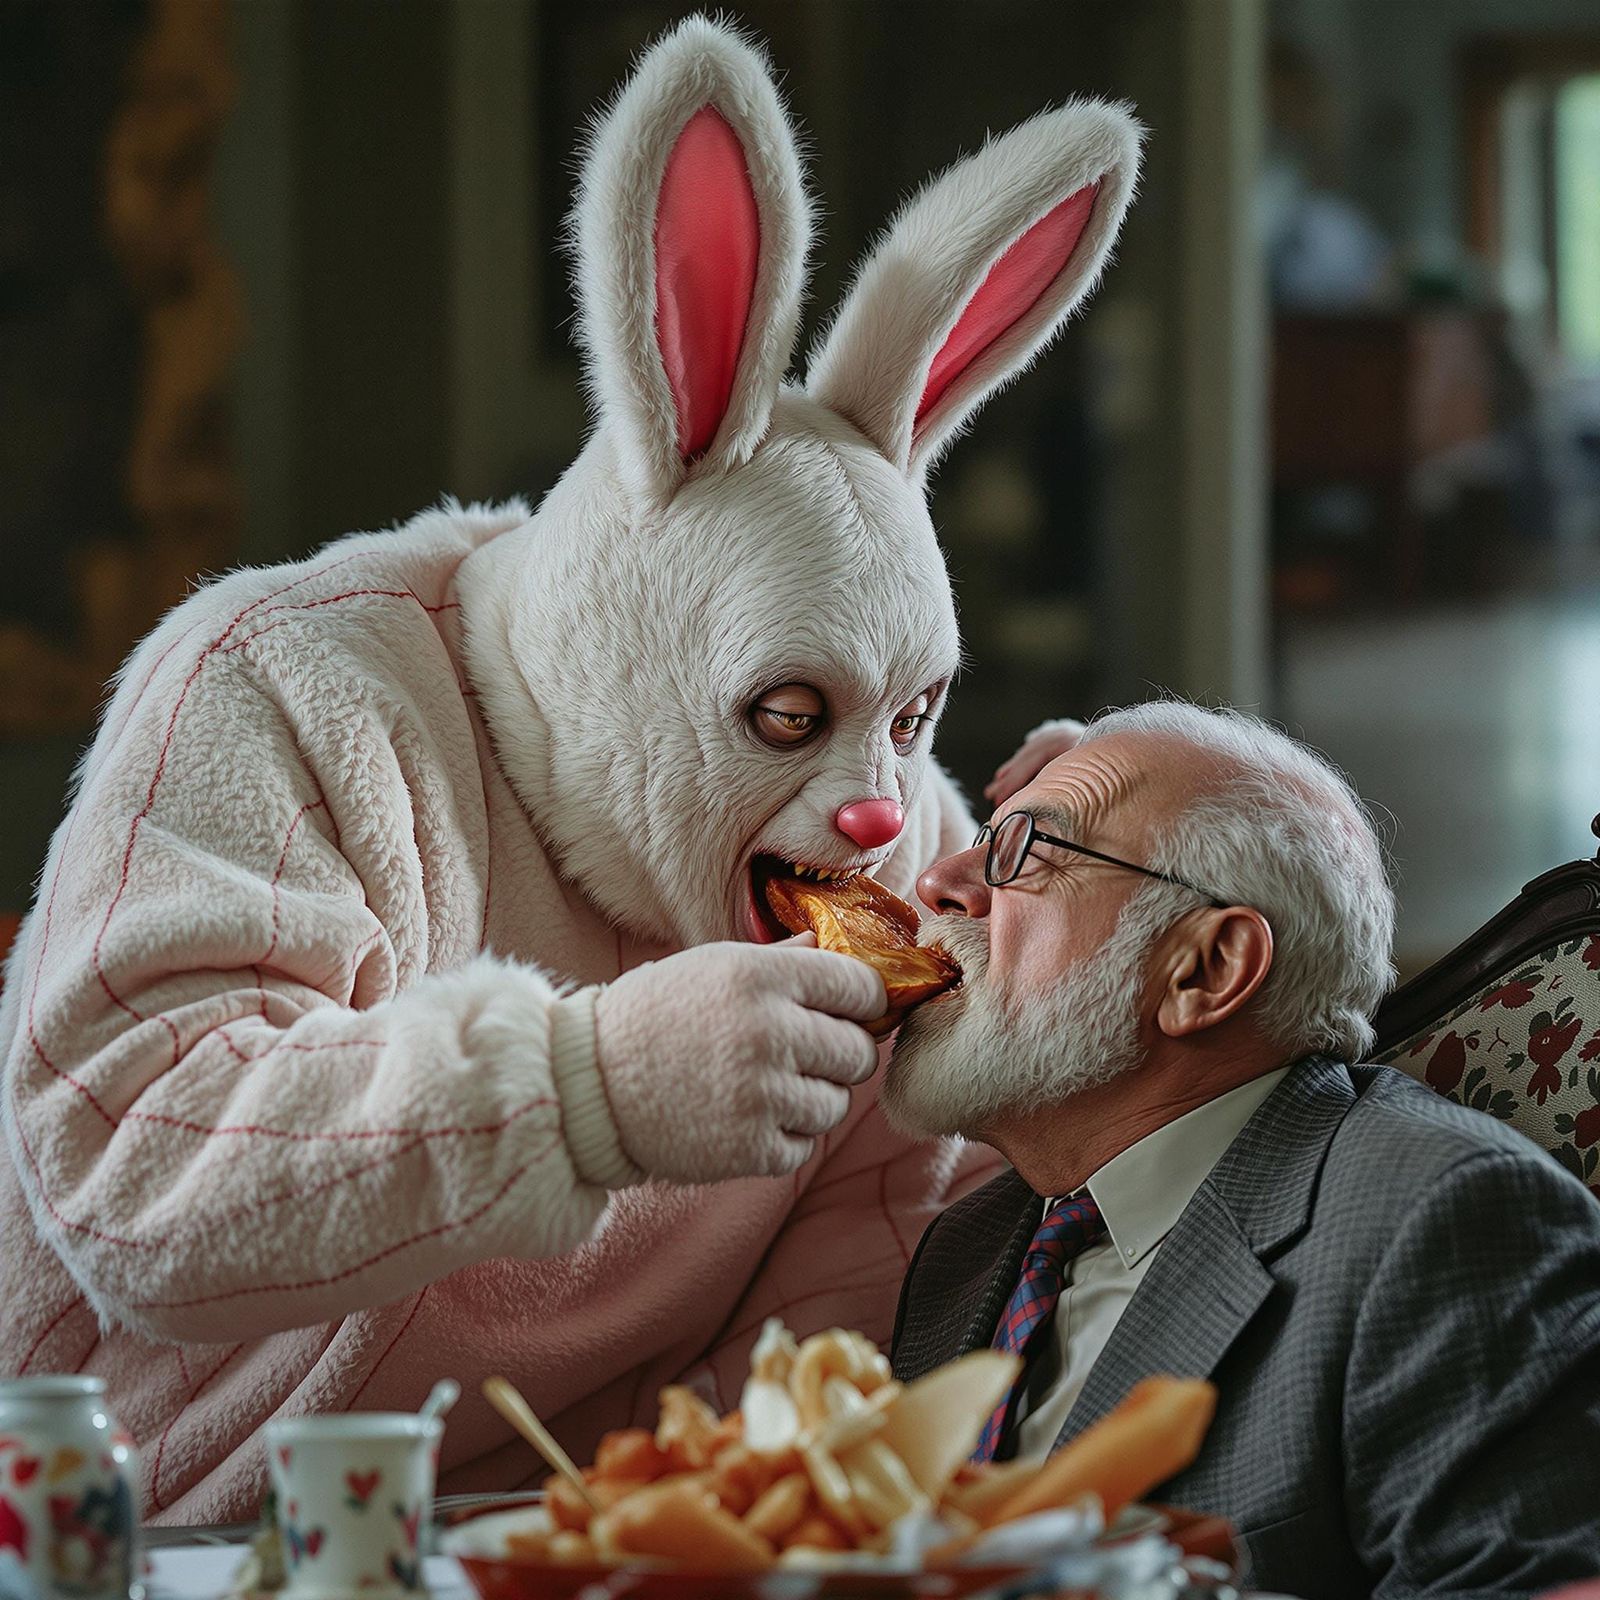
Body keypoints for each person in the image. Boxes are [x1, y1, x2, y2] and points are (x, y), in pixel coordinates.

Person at [0, 18, 1142, 1521]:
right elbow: (130, 1176)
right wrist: (584, 1090)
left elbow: (842, 1323)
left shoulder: (893, 856)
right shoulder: (286, 690)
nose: (880, 808)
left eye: (913, 718)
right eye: (789, 717)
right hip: (129, 1526)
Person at [887, 700, 1600, 1600]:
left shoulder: (1447, 1221)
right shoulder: (968, 1246)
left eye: (1024, 850)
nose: (938, 882)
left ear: (1205, 970)